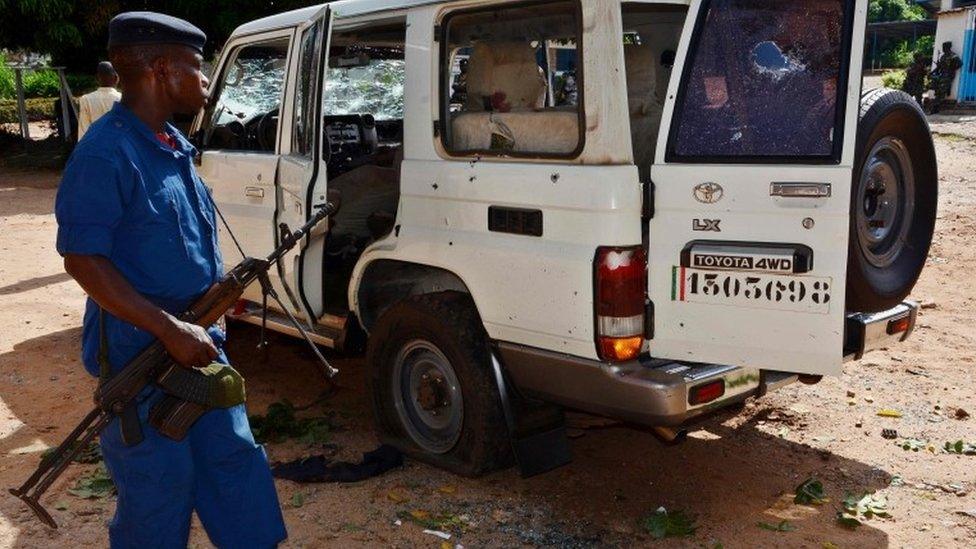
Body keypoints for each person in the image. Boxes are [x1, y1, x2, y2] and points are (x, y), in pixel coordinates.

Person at [54, 12, 287, 548]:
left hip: (201, 349)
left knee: (237, 471)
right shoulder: (105, 153)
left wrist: (212, 297)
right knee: (158, 495)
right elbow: (83, 260)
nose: (206, 80)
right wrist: (168, 329)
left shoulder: (173, 145)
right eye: (196, 66)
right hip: (145, 363)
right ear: (161, 68)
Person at [77, 61, 122, 140]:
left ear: (97, 78)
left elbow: (83, 131)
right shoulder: (122, 99)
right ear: (116, 78)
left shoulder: (86, 99)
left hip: (96, 147)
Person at [931, 41, 962, 113]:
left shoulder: (953, 56)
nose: (943, 49)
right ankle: (935, 107)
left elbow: (959, 64)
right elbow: (939, 67)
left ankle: (935, 108)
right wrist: (932, 72)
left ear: (948, 47)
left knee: (941, 92)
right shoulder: (943, 56)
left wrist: (951, 69)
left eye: (944, 47)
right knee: (937, 90)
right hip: (941, 75)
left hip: (948, 76)